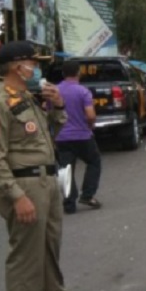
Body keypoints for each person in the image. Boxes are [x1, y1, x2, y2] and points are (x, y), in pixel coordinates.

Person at [0, 41, 88, 291]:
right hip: (24, 184)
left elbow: (53, 132)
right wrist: (16, 196)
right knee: (25, 253)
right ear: (19, 66)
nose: (37, 67)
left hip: (47, 180)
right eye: (33, 62)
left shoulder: (27, 98)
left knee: (49, 244)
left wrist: (59, 105)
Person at [55, 60, 103, 214]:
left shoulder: (55, 91)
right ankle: (87, 195)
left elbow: (49, 114)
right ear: (78, 72)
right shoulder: (83, 91)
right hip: (82, 136)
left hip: (61, 137)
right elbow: (90, 115)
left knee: (66, 169)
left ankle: (69, 203)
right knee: (94, 162)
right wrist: (90, 125)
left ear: (63, 73)